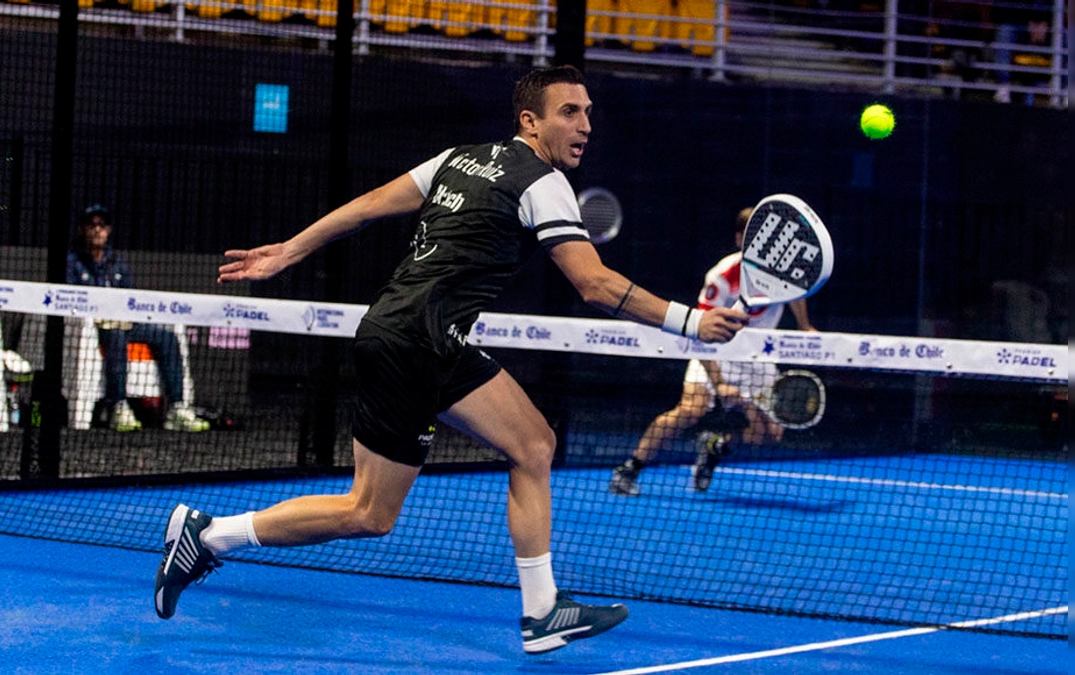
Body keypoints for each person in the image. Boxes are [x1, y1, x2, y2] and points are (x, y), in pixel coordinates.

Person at [152, 66, 748, 654]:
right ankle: (210, 536)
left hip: (429, 336)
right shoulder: (543, 183)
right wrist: (691, 322)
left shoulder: (457, 159)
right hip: (415, 342)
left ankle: (542, 612)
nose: (585, 124)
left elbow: (364, 206)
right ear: (530, 121)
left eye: (589, 111)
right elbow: (592, 284)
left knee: (534, 444)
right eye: (570, 111)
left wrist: (290, 249)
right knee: (369, 513)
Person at [609, 206, 817, 496]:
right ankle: (629, 469)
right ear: (739, 239)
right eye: (753, 237)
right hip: (714, 349)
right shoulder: (722, 276)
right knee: (690, 410)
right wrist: (719, 382)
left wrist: (805, 326)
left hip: (757, 357)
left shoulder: (784, 272)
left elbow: (795, 295)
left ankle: (714, 445)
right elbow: (700, 331)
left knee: (768, 434)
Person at [66, 204, 210, 433]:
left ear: (108, 230)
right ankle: (117, 406)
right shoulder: (72, 261)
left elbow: (129, 297)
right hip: (89, 328)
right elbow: (68, 298)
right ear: (82, 229)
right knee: (115, 336)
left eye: (101, 225)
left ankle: (177, 408)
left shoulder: (117, 262)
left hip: (123, 323)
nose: (97, 230)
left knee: (167, 338)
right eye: (91, 225)